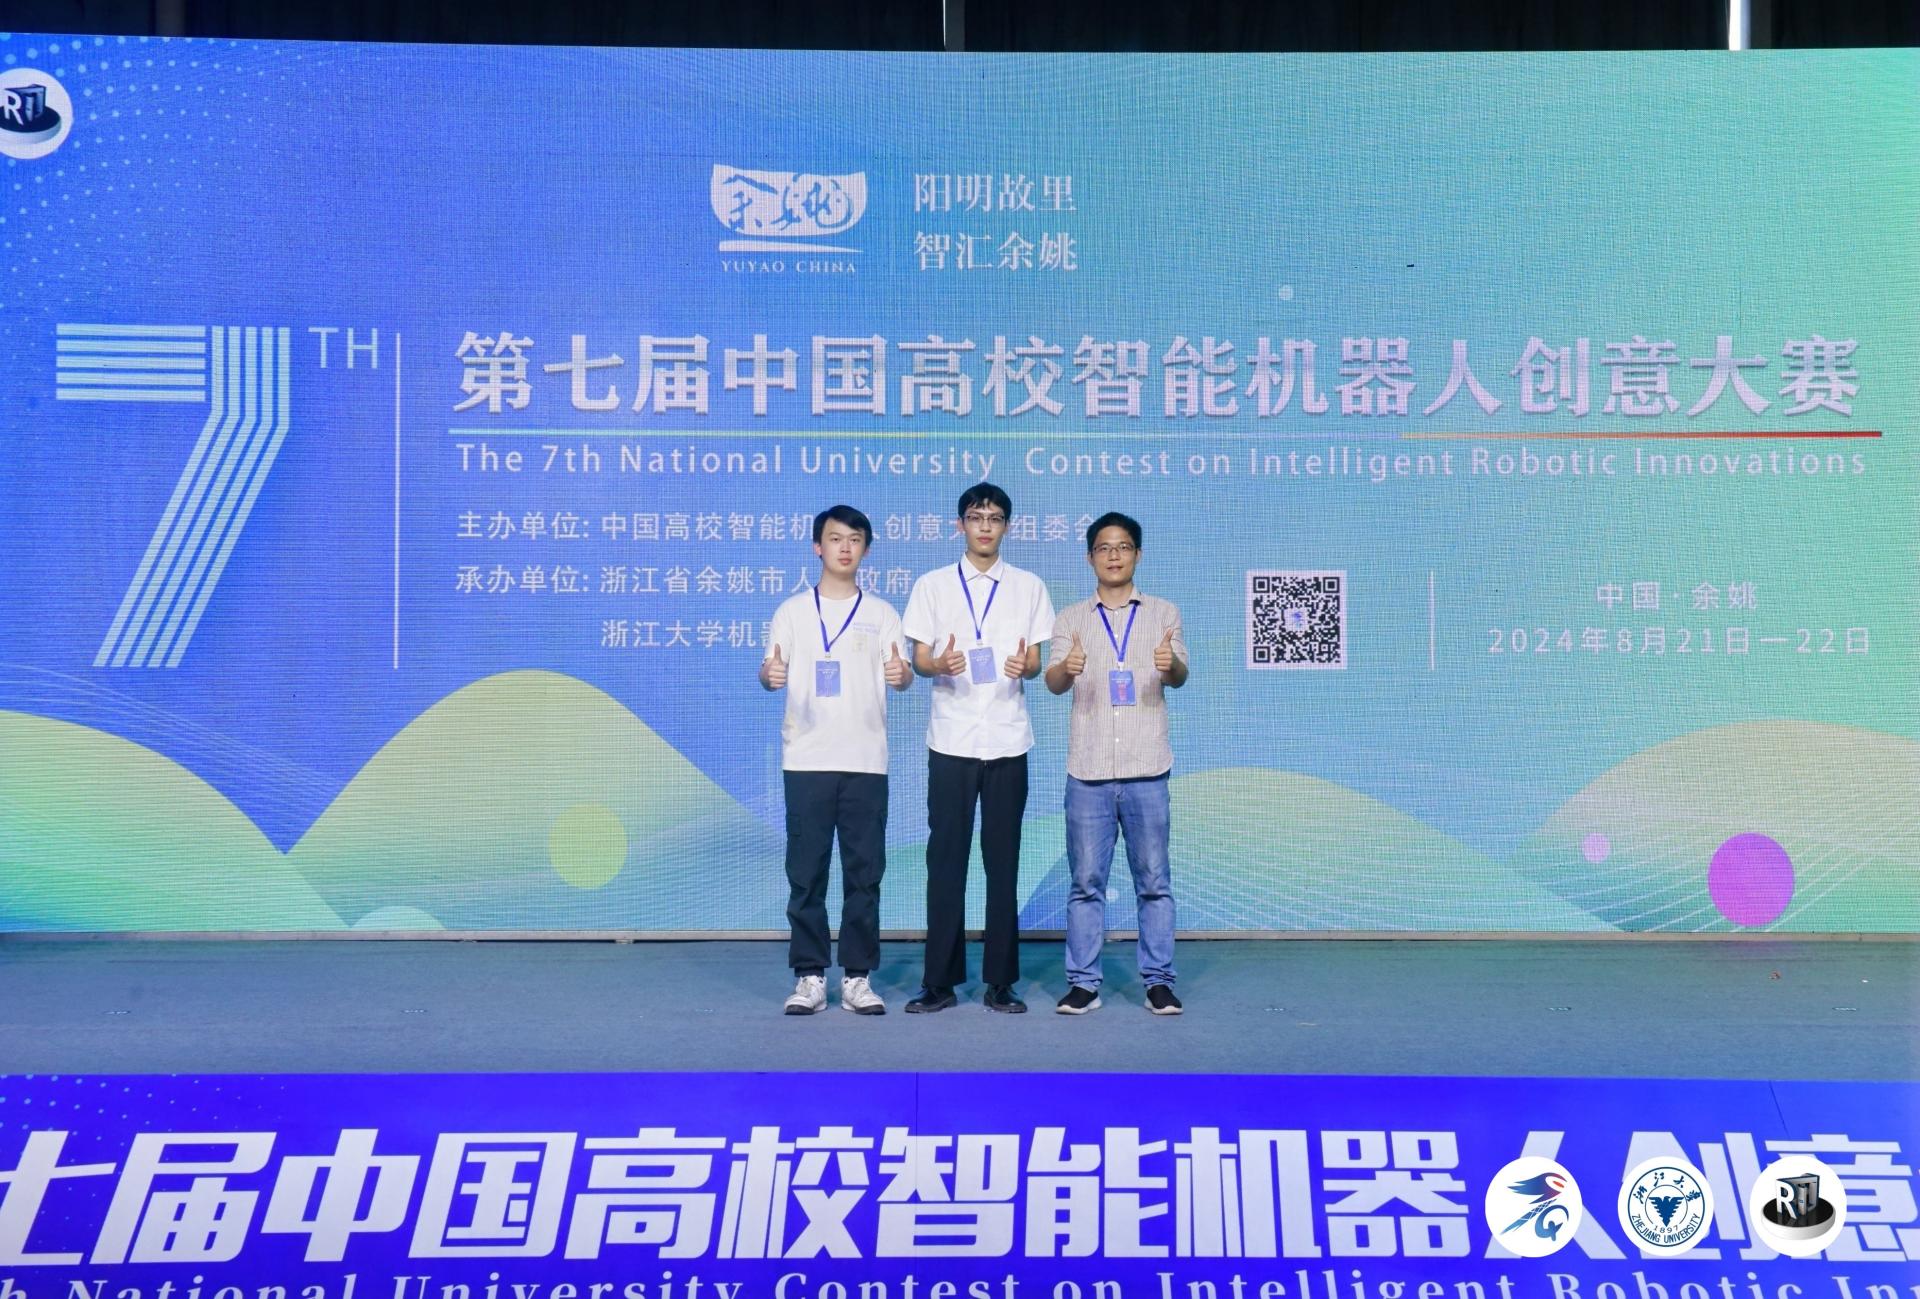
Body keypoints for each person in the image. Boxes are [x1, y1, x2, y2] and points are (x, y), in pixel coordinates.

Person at [901, 483, 1055, 1013]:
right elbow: (920, 658)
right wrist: (936, 665)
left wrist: (1026, 667)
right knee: (946, 862)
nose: (985, 526)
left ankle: (1001, 981)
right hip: (951, 739)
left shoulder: (1029, 586)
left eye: (994, 517)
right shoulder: (933, 585)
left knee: (1003, 863)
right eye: (975, 516)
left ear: (1007, 526)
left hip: (1009, 738)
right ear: (960, 525)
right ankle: (939, 982)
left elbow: (1035, 661)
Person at [761, 505, 912, 1015]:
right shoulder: (792, 612)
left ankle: (857, 977)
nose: (845, 547)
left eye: (854, 539)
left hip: (866, 760)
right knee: (806, 874)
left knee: (864, 874)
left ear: (865, 549)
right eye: (834, 538)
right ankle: (809, 976)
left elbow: (902, 673)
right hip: (806, 759)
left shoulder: (883, 614)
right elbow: (770, 669)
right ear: (817, 546)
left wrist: (903, 676)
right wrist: (769, 677)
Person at [1043, 512, 1189, 1015]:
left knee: (1154, 883)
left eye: (1123, 546)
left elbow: (1179, 676)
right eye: (1104, 547)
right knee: (1086, 884)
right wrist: (1066, 668)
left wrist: (1172, 665)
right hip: (1089, 773)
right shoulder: (1071, 619)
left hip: (1147, 769)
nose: (1114, 555)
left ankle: (1159, 982)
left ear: (1137, 555)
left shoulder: (1164, 613)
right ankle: (1084, 984)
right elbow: (1053, 682)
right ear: (1090, 557)